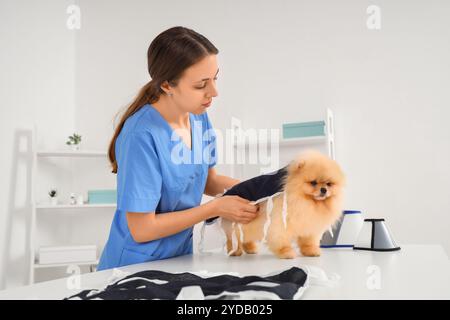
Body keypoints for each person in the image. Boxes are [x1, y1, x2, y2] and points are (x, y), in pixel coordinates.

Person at [97, 26, 258, 270]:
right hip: (133, 267)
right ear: (167, 85)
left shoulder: (198, 117)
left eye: (215, 78)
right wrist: (214, 208)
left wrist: (258, 190)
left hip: (179, 259)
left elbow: (207, 180)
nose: (214, 92)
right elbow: (142, 229)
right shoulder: (141, 135)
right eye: (201, 84)